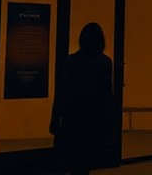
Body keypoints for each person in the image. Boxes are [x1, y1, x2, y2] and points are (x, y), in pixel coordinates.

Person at [49, 22, 116, 175]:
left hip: (71, 120)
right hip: (93, 121)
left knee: (74, 163)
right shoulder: (104, 63)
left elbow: (62, 92)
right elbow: (106, 97)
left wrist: (55, 119)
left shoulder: (71, 61)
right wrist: (110, 127)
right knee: (85, 163)